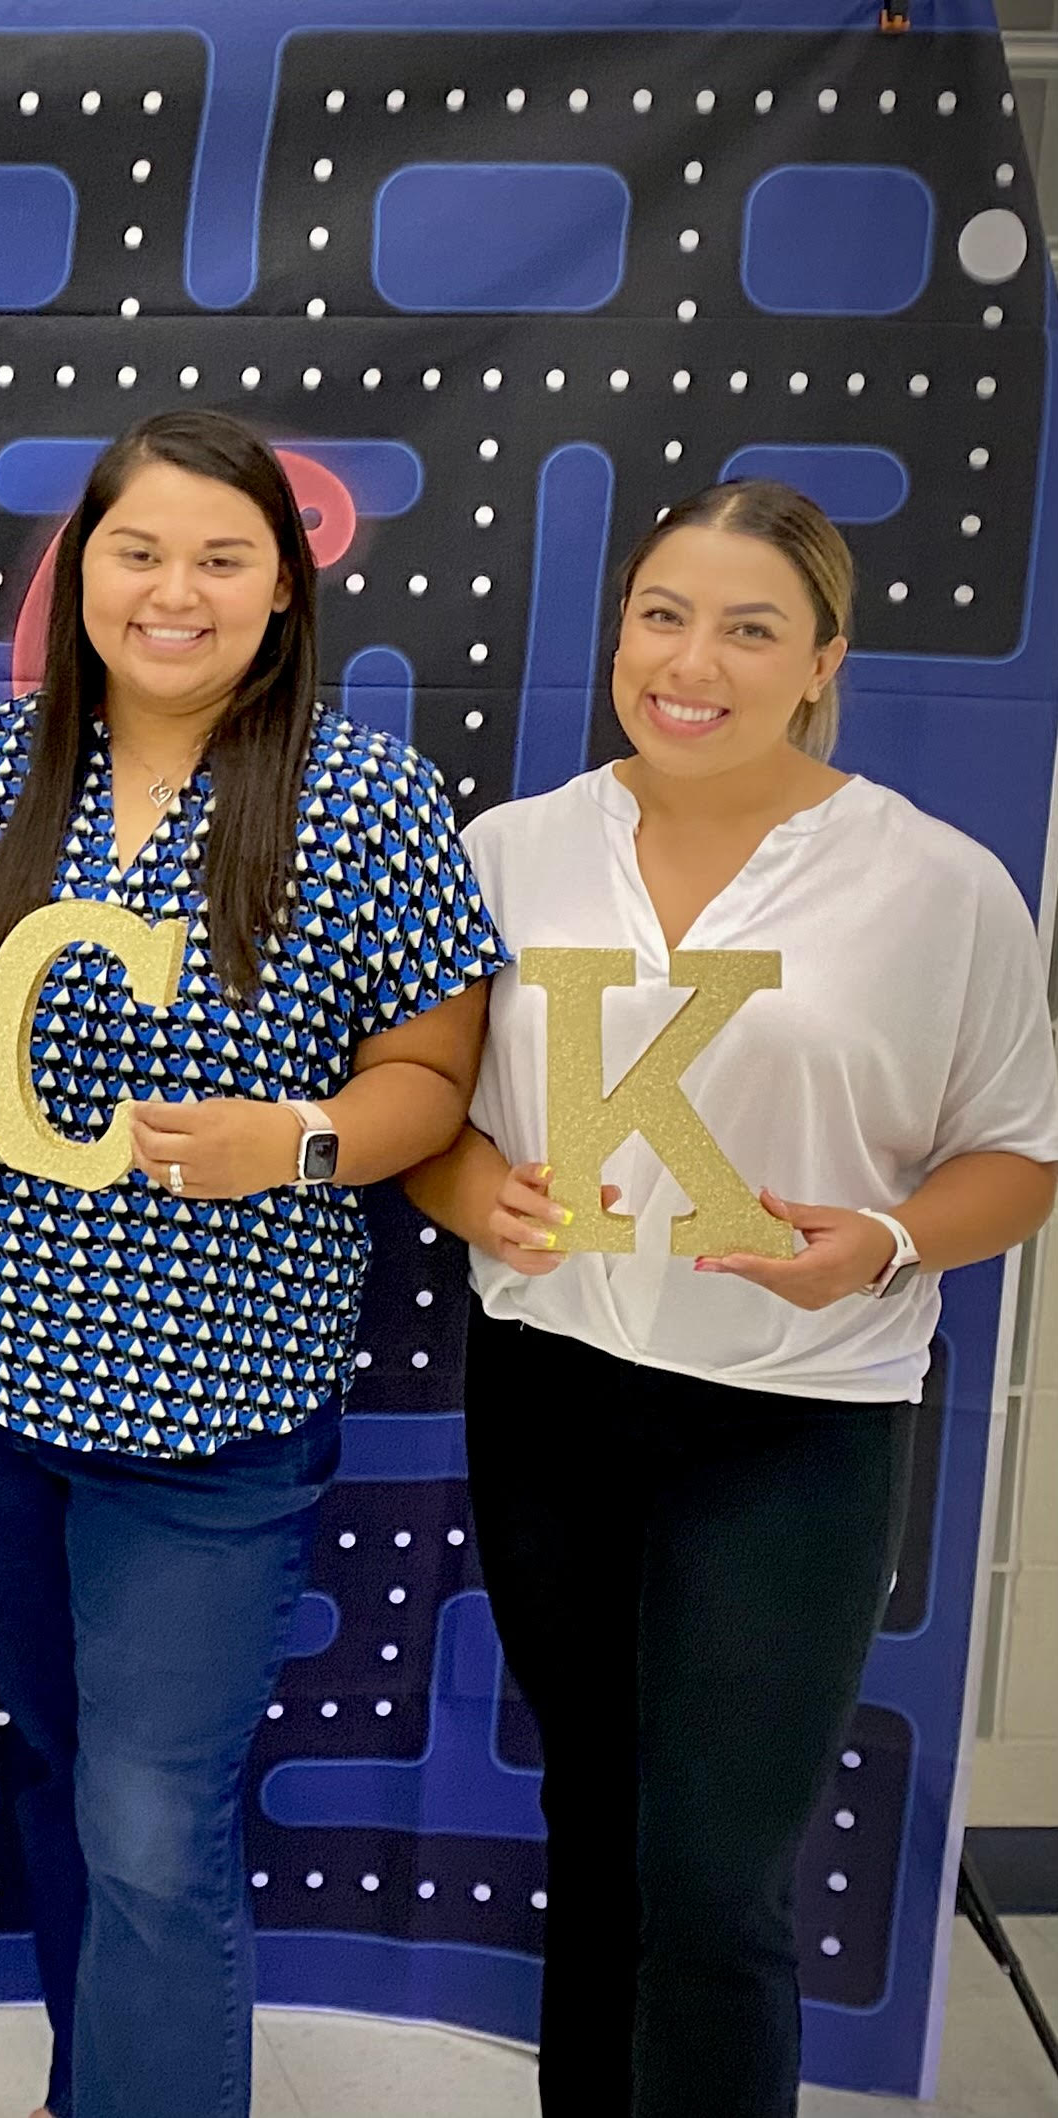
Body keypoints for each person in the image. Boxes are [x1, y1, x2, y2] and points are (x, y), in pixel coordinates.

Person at [0, 409, 506, 2118]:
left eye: (223, 557)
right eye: (137, 550)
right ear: (77, 576)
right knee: (69, 1770)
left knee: (154, 1823)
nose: (175, 590)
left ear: (284, 594)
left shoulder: (365, 795)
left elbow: (429, 1079)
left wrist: (289, 1138)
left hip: (213, 1409)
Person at [401, 479, 1058, 2117]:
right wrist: (461, 1184)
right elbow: (428, 1110)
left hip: (796, 1417)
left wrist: (888, 1241)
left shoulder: (935, 882)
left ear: (824, 657)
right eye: (661, 616)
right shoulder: (508, 851)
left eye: (749, 628)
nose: (692, 661)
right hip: (550, 1392)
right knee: (600, 1831)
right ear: (617, 633)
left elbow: (1020, 1157)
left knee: (710, 1875)